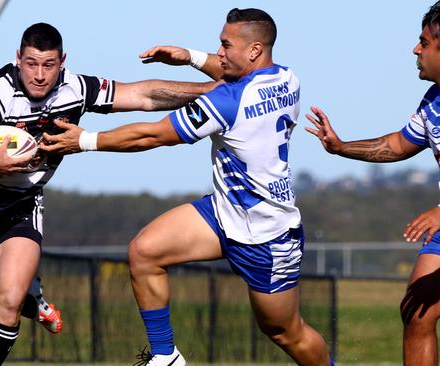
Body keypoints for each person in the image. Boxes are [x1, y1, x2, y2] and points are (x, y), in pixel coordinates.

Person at [41, 8, 333, 366]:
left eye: (226, 45)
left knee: (286, 333)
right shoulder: (287, 79)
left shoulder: (227, 101)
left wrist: (85, 140)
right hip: (225, 212)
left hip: (267, 235)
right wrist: (190, 58)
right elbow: (235, 72)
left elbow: (152, 135)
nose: (219, 53)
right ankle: (166, 356)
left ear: (255, 49)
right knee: (145, 252)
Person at [0, 22, 217, 366]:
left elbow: (144, 95)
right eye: (31, 63)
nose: (38, 75)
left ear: (62, 61)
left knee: (5, 310)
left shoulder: (76, 89)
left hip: (19, 208)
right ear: (18, 58)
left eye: (48, 65)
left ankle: (21, 297)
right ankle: (33, 301)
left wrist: (214, 90)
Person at [306, 2, 440, 365]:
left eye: (424, 42)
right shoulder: (434, 102)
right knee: (416, 313)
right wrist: (340, 147)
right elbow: (397, 144)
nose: (416, 50)